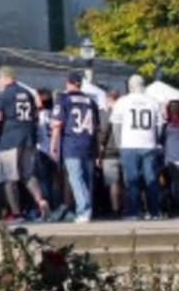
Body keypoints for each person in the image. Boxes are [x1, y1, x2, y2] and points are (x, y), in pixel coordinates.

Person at [0, 67, 49, 221]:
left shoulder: (2, 96)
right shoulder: (28, 94)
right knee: (28, 174)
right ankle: (41, 200)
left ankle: (16, 213)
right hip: (28, 138)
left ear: (6, 78)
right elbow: (35, 116)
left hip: (10, 139)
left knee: (9, 177)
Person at [112, 74, 163, 219]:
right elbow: (160, 126)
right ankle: (154, 212)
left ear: (129, 86)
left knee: (132, 180)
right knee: (151, 179)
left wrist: (120, 144)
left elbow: (116, 126)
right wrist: (155, 139)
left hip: (129, 145)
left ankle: (134, 212)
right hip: (149, 144)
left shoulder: (122, 102)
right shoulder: (154, 102)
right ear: (144, 85)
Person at [50, 71, 98, 223]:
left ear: (68, 82)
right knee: (86, 180)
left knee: (76, 179)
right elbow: (97, 128)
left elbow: (57, 124)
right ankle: (87, 210)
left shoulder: (63, 99)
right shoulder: (91, 101)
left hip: (72, 143)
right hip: (88, 143)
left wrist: (53, 145)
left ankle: (84, 210)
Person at [98, 88, 122, 217]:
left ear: (108, 99)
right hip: (125, 150)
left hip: (109, 151)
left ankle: (115, 209)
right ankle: (126, 207)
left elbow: (104, 132)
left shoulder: (107, 114)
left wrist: (100, 152)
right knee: (124, 183)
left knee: (113, 182)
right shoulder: (125, 112)